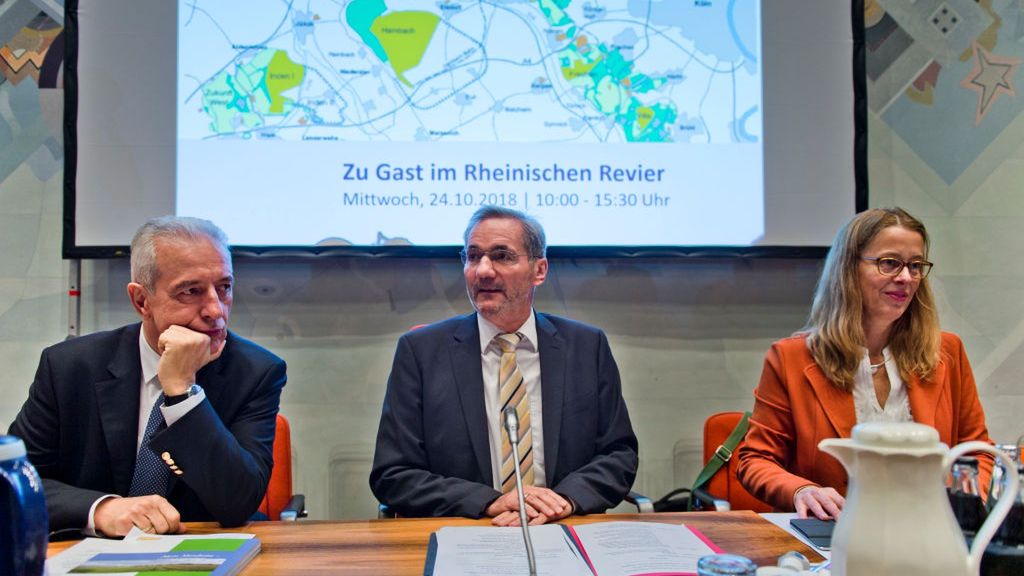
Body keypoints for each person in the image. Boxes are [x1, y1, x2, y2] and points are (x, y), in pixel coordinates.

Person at [9, 216, 286, 536]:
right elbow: (15, 482)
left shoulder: (255, 371)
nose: (215, 310)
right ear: (142, 300)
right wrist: (101, 509)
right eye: (191, 291)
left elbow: (236, 502)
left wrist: (183, 392)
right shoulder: (70, 367)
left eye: (224, 288)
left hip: (203, 552)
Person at [370, 206, 638, 526]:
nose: (483, 270)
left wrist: (564, 500)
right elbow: (393, 474)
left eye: (501, 256)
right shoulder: (421, 352)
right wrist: (491, 502)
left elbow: (618, 456)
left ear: (539, 270)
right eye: (473, 256)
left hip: (561, 524)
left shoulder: (585, 347)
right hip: (466, 527)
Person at [737, 207, 992, 520]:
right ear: (848, 269)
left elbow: (977, 453)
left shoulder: (947, 352)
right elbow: (755, 460)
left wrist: (961, 500)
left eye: (915, 266)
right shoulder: (791, 358)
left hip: (928, 532)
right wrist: (802, 490)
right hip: (833, 536)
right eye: (889, 263)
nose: (905, 278)